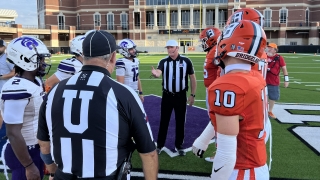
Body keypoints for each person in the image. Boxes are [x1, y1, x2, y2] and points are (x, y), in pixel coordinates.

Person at [37, 30, 158, 180]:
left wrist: (54, 172)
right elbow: (149, 153)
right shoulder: (123, 93)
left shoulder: (54, 91)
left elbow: (44, 144)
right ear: (113, 56)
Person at [208, 20, 269, 179]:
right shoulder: (255, 76)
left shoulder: (229, 84)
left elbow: (226, 154)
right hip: (258, 167)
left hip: (240, 170)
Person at [0, 36, 51, 180]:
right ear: (25, 59)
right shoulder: (17, 88)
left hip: (36, 147)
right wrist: (29, 165)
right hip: (24, 152)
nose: (43, 63)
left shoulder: (34, 81)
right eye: (40, 59)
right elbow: (13, 132)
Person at [151, 39, 197, 156]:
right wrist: (156, 73)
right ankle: (160, 145)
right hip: (167, 96)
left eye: (171, 47)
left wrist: (192, 94)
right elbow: (159, 71)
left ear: (177, 48)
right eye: (168, 48)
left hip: (181, 96)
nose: (169, 49)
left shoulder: (186, 61)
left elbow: (192, 78)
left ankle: (179, 145)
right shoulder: (163, 61)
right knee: (164, 121)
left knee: (180, 121)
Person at [192, 27, 221, 162]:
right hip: (211, 90)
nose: (202, 43)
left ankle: (220, 152)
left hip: (215, 91)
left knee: (217, 122)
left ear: (211, 38)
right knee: (215, 122)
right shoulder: (212, 50)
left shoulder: (217, 50)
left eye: (204, 40)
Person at [0, 39, 15, 156]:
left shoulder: (7, 58)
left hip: (5, 92)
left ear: (4, 47)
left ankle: (3, 147)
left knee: (4, 119)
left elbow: (15, 72)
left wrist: (1, 77)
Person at [266, 43, 289, 119]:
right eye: (268, 47)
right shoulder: (263, 56)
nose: (269, 49)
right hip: (262, 81)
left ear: (275, 50)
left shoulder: (279, 58)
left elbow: (284, 68)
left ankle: (270, 111)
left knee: (273, 97)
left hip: (273, 81)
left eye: (271, 48)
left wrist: (286, 80)